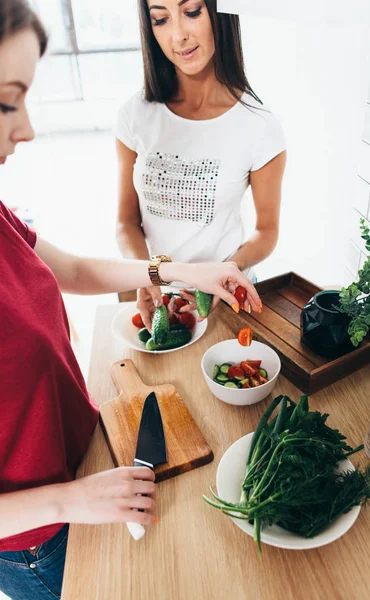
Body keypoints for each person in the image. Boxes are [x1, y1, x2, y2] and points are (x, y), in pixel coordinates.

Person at [0, 2, 261, 599]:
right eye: (5, 101)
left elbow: (72, 267)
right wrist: (74, 499)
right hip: (43, 540)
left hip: (91, 463)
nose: (28, 129)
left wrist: (188, 270)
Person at [116, 0, 286, 330]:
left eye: (192, 12)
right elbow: (125, 222)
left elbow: (267, 231)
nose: (178, 35)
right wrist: (147, 274)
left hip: (227, 298)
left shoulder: (260, 126)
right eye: (160, 19)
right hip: (159, 297)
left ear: (220, 13)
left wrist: (223, 275)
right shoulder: (135, 114)